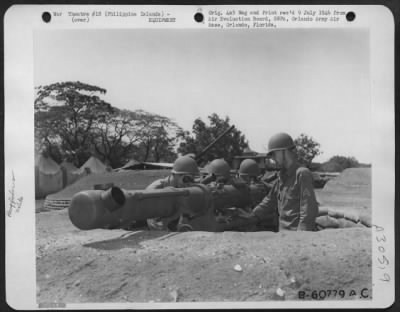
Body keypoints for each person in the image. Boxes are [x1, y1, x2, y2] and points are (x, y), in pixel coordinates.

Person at [225, 133, 319, 232]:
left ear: (284, 151)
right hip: (283, 234)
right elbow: (269, 201)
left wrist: (300, 238)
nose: (272, 158)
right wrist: (252, 215)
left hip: (296, 234)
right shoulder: (282, 177)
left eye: (274, 154)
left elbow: (308, 211)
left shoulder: (302, 174)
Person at [146, 155, 200, 231]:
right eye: (186, 179)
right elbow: (154, 224)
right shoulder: (155, 189)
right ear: (175, 175)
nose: (189, 184)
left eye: (192, 180)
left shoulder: (182, 189)